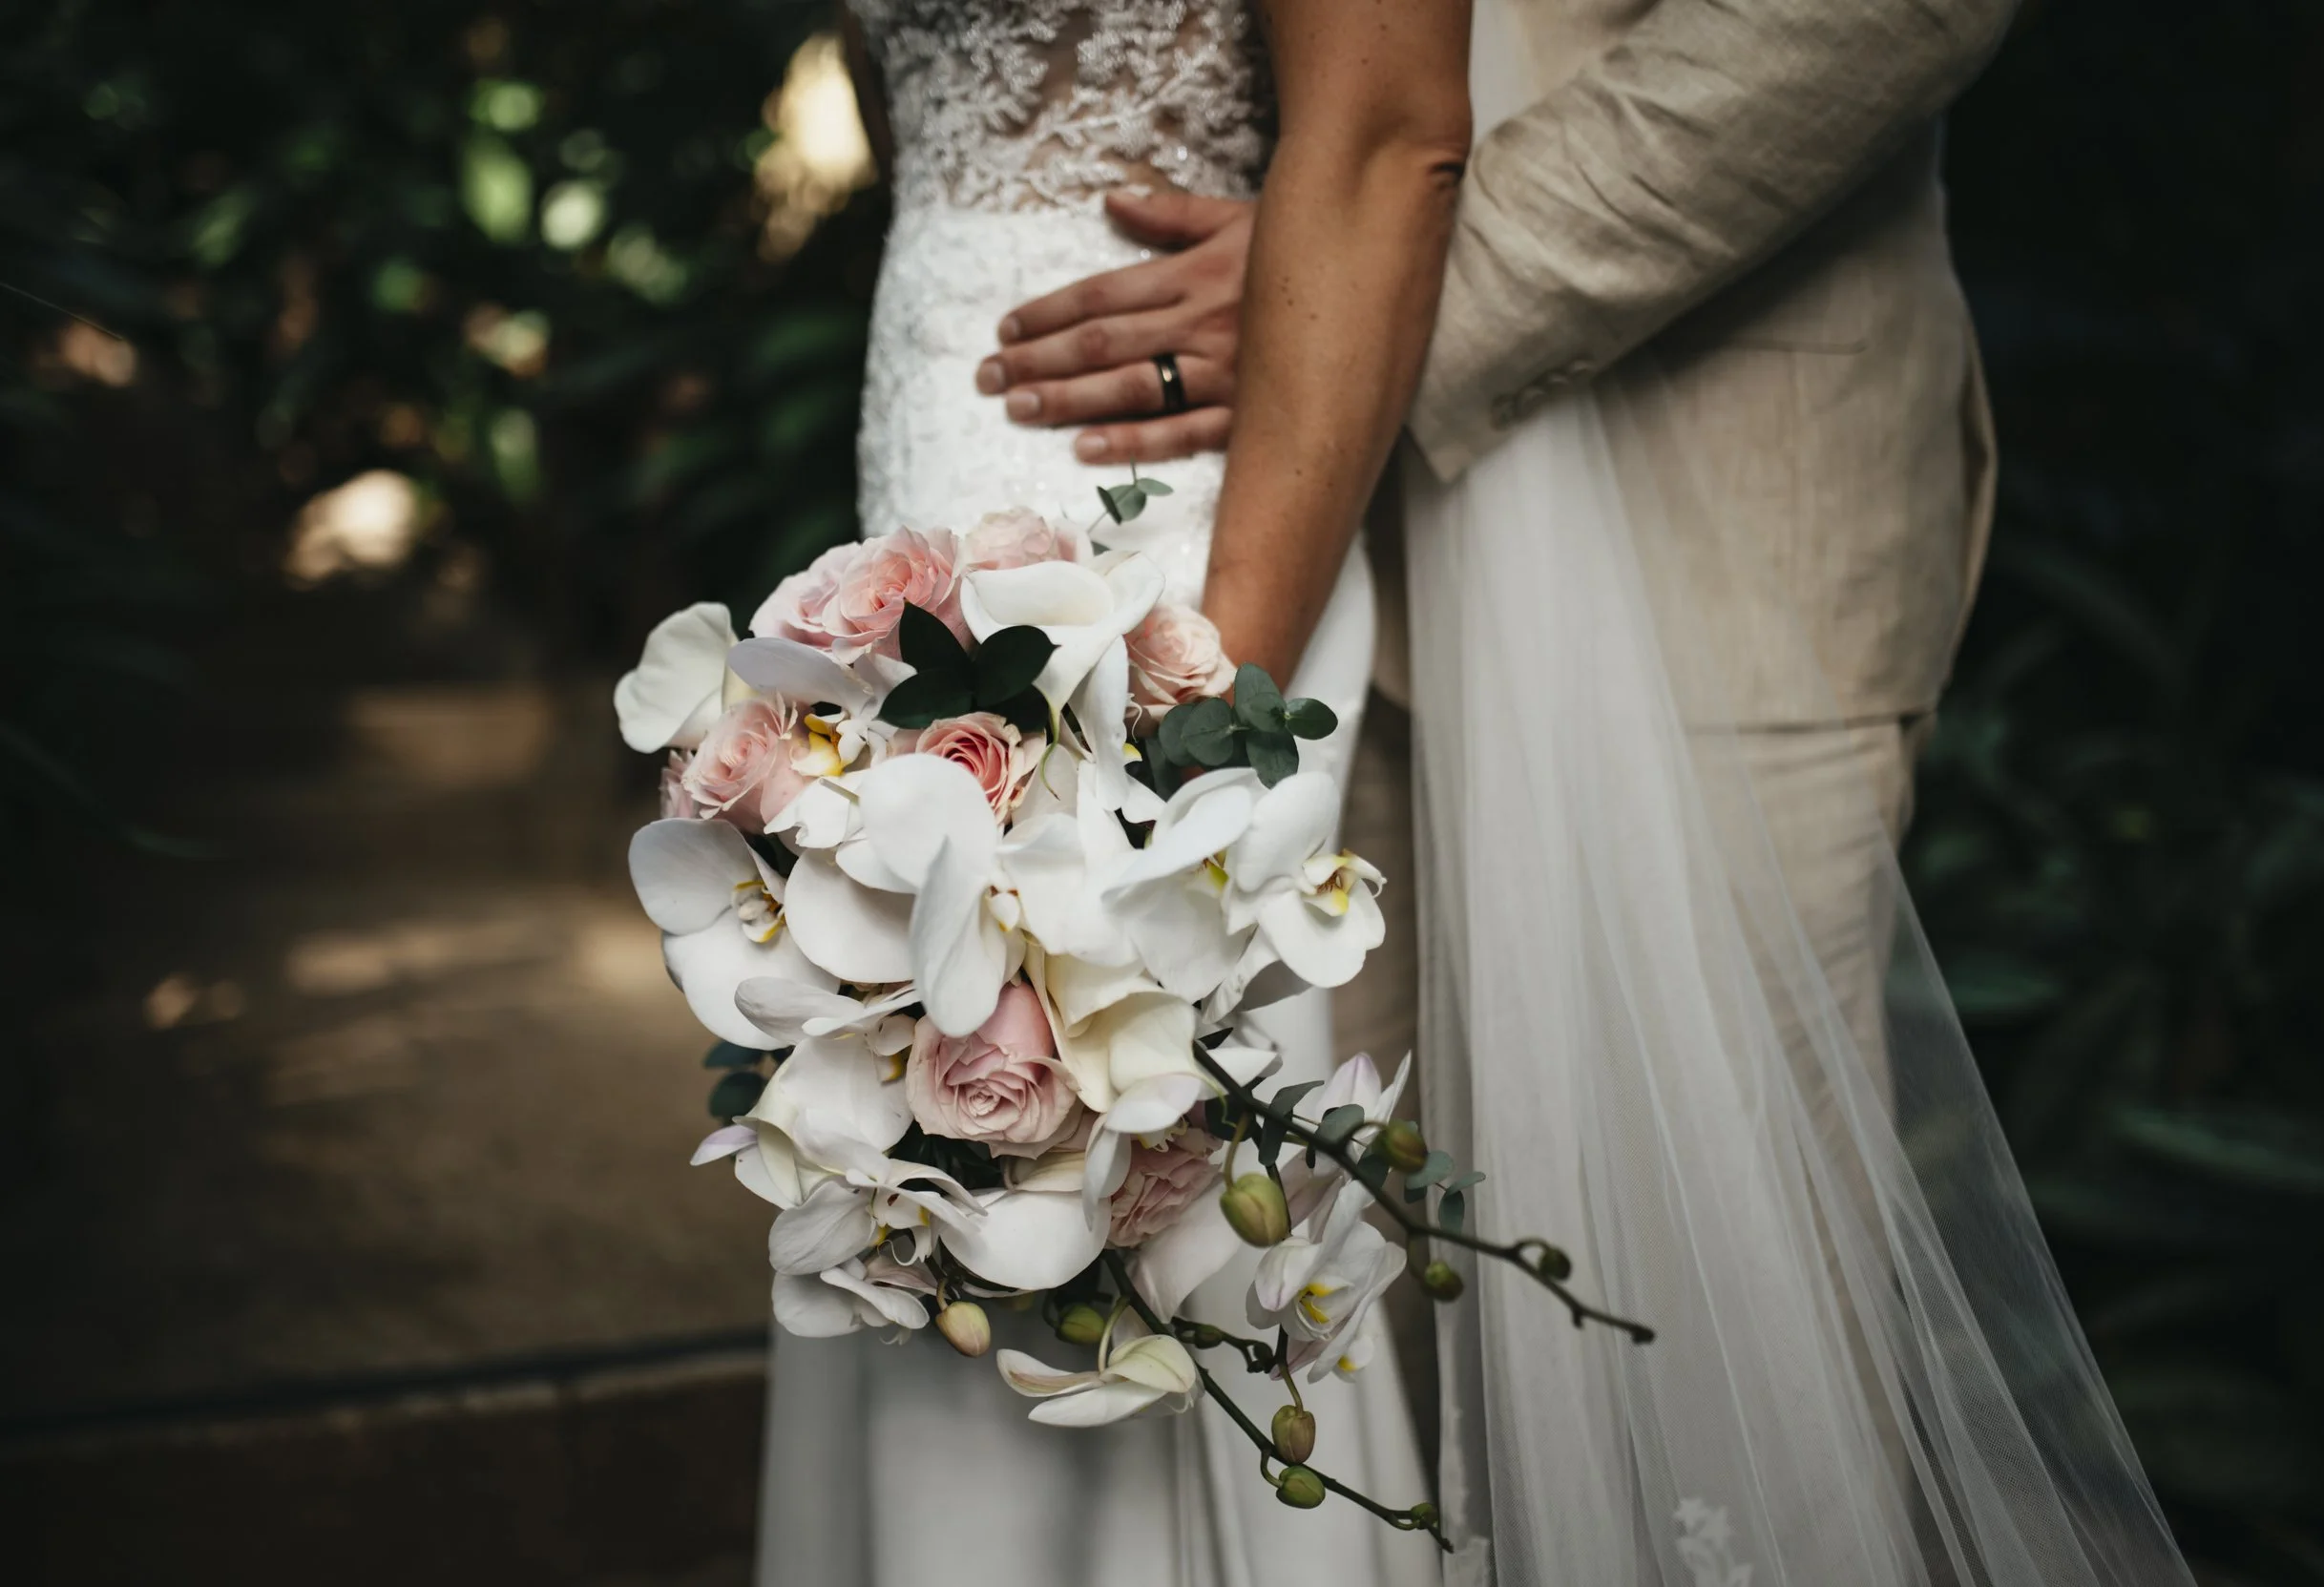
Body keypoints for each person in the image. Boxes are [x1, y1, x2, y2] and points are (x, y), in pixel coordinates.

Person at [978, 2, 2201, 1584]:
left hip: (1707, 515)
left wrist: (1373, 281)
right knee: (1366, 1355)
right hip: (1282, 557)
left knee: (1707, 1353)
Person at [753, 4, 1464, 1583]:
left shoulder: (1187, 676)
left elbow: (1389, 133)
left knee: (1158, 1164)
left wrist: (1191, 733)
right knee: (912, 1142)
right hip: (920, 506)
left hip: (1166, 552)